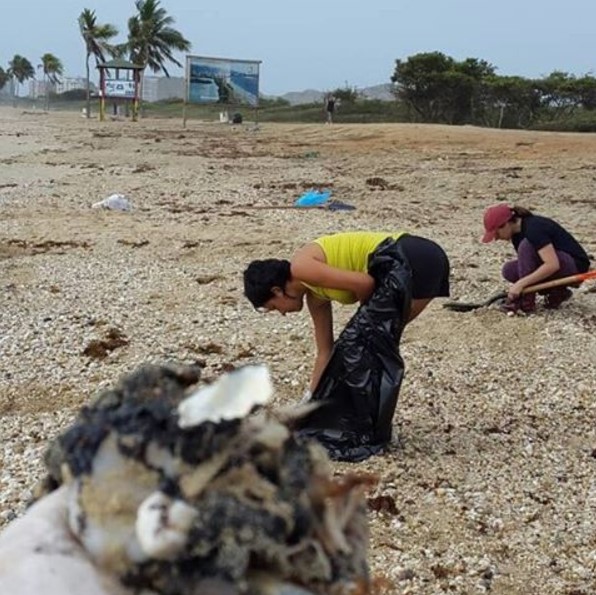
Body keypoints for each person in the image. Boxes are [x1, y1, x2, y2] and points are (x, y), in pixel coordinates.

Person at [243, 231, 450, 460]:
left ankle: (371, 432)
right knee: (370, 347)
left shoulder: (301, 268)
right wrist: (310, 399)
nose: (281, 313)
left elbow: (365, 282)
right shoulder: (315, 296)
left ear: (276, 291)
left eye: (273, 307)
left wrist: (367, 321)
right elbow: (325, 351)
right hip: (408, 262)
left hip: (408, 258)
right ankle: (371, 428)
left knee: (365, 345)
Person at [481, 203, 590, 313]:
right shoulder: (516, 236)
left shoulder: (534, 228)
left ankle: (526, 303)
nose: (496, 238)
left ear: (505, 224)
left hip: (574, 266)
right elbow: (526, 267)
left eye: (497, 233)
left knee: (526, 246)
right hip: (555, 265)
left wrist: (520, 284)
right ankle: (556, 292)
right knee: (509, 270)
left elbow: (552, 265)